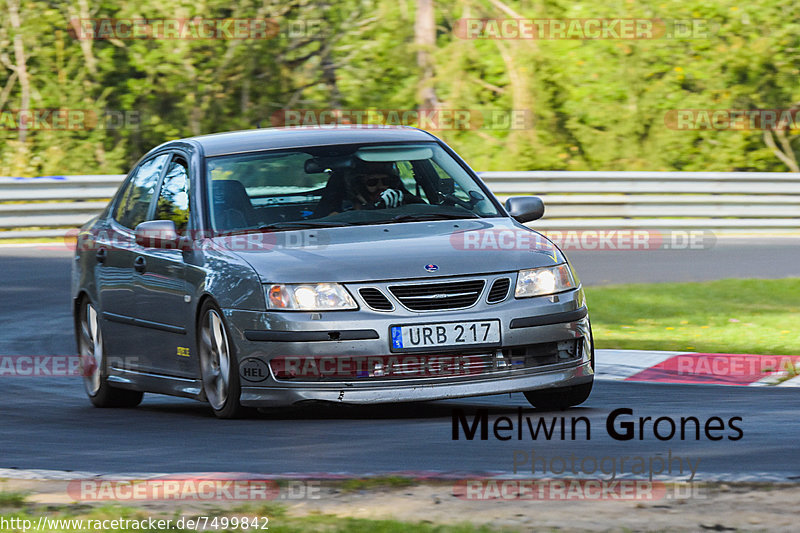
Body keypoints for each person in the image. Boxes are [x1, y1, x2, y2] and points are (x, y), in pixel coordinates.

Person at [345, 161, 418, 210]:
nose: (380, 186)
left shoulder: (401, 198)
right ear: (360, 186)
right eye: (372, 182)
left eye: (385, 181)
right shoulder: (347, 208)